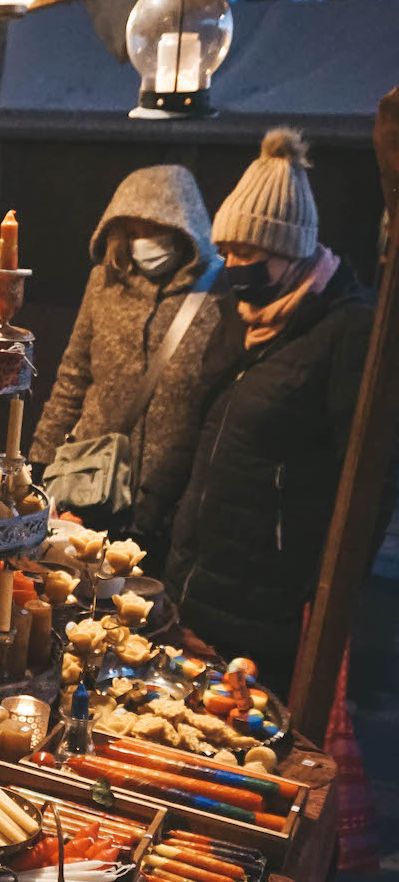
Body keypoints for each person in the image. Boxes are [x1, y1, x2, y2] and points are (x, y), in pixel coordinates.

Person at [164, 128, 375, 696]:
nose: (232, 265)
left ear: (292, 251)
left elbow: (363, 483)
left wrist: (315, 588)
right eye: (226, 250)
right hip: (194, 581)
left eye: (248, 254)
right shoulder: (242, 314)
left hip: (267, 603)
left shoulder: (347, 331)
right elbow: (200, 427)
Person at [30, 164, 222, 560]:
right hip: (90, 484)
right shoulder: (104, 283)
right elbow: (73, 377)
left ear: (184, 229)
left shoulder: (216, 298)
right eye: (133, 232)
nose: (143, 242)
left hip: (168, 495)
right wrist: (38, 462)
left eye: (155, 230)